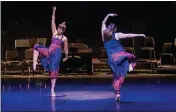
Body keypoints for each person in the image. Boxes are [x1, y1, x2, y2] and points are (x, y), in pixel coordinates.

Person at [101, 13, 146, 101]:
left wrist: (108, 15)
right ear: (115, 29)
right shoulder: (116, 35)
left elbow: (103, 23)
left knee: (117, 76)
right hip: (120, 56)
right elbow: (128, 35)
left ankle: (117, 94)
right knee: (132, 58)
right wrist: (139, 34)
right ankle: (130, 67)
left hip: (111, 60)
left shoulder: (103, 36)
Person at [33, 6, 69, 96]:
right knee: (36, 46)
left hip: (56, 55)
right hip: (49, 51)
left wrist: (67, 56)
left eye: (61, 29)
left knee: (53, 72)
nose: (59, 30)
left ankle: (52, 89)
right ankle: (34, 62)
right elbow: (52, 21)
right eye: (58, 28)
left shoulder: (64, 38)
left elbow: (66, 48)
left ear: (63, 30)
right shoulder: (54, 33)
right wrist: (54, 11)